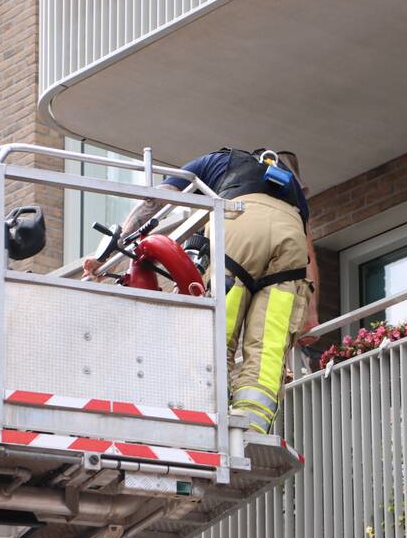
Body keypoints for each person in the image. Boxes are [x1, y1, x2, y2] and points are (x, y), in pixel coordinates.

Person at [84, 148, 319, 435]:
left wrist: (111, 251)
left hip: (240, 221)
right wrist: (311, 312)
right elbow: (308, 250)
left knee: (218, 335)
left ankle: (206, 419)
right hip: (291, 239)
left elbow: (154, 201)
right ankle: (252, 430)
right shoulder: (290, 188)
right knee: (268, 348)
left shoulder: (219, 160)